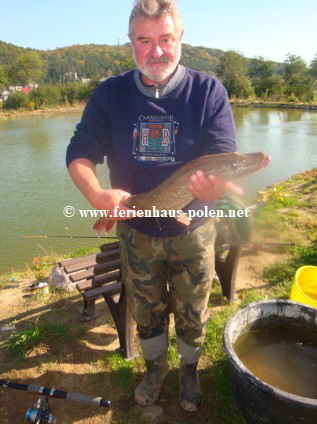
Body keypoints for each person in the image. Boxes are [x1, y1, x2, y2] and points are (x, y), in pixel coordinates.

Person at [66, 0, 238, 411]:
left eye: (165, 39)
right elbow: (80, 152)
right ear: (131, 42)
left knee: (194, 311)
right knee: (147, 313)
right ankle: (155, 368)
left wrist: (216, 188)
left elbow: (223, 155)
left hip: (193, 230)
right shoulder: (110, 94)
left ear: (180, 39)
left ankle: (190, 371)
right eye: (145, 40)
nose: (156, 50)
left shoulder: (208, 91)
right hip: (137, 232)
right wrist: (96, 196)